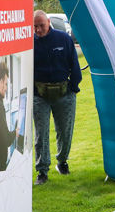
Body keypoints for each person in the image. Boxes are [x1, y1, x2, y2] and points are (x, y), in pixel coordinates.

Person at [32, 10, 82, 185]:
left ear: (48, 22)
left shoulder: (63, 38)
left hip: (64, 93)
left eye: (41, 25)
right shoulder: (29, 43)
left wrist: (74, 88)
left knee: (65, 132)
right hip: (39, 95)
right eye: (35, 26)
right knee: (41, 135)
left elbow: (74, 65)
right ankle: (42, 171)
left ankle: (62, 161)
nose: (38, 29)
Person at [0, 61, 15, 173]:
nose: (6, 88)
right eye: (5, 84)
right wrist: (16, 132)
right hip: (0, 164)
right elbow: (5, 139)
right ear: (1, 82)